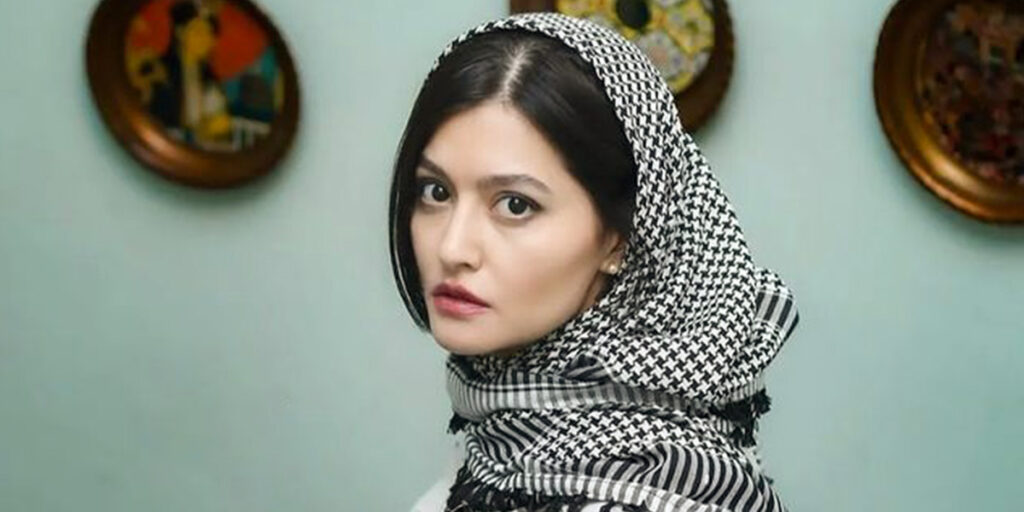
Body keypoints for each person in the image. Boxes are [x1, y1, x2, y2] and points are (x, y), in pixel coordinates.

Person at [389, 12, 800, 512]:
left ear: (619, 239)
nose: (453, 248)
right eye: (435, 192)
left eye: (515, 205)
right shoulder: (503, 441)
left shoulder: (640, 488)